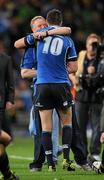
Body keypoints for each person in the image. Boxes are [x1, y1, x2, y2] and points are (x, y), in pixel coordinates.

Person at [15, 11, 91, 172]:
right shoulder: (34, 44)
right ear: (33, 30)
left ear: (48, 24)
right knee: (44, 128)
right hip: (49, 85)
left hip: (44, 86)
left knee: (62, 127)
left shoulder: (42, 40)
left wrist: (47, 71)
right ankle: (42, 162)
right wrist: (48, 70)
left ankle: (77, 160)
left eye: (44, 25)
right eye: (39, 27)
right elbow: (24, 73)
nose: (42, 28)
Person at [74, 33, 102, 161]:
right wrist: (74, 78)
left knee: (97, 126)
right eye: (91, 44)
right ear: (86, 45)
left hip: (97, 96)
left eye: (96, 44)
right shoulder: (81, 55)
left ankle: (95, 153)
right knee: (80, 126)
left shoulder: (102, 59)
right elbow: (70, 71)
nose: (93, 47)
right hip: (81, 94)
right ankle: (83, 154)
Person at [0, 41, 19, 179]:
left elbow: (10, 82)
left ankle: (7, 174)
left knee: (4, 140)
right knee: (4, 139)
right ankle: (7, 174)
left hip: (0, 104)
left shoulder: (6, 59)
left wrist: (9, 100)